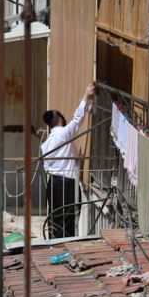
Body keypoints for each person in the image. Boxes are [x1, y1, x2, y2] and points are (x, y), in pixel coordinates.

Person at [40, 81, 97, 238]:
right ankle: (66, 246)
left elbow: (46, 167)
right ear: (59, 120)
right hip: (67, 183)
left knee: (55, 217)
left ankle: (54, 244)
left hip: (53, 183)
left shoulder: (45, 144)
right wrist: (86, 96)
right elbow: (78, 119)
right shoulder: (64, 133)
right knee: (68, 218)